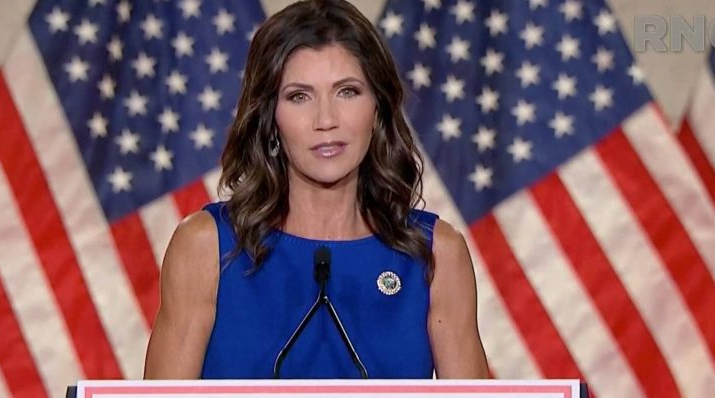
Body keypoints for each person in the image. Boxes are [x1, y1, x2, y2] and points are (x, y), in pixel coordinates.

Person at [144, 0, 488, 379]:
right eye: (299, 96)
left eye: (347, 91)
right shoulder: (206, 247)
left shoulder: (437, 253)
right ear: (270, 117)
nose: (326, 120)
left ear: (378, 108)